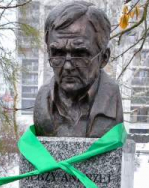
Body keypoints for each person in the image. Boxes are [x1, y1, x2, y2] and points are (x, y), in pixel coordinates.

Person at [33, 0, 123, 138]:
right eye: (58, 54)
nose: (68, 66)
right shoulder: (43, 101)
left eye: (80, 54)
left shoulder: (112, 100)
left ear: (104, 58)